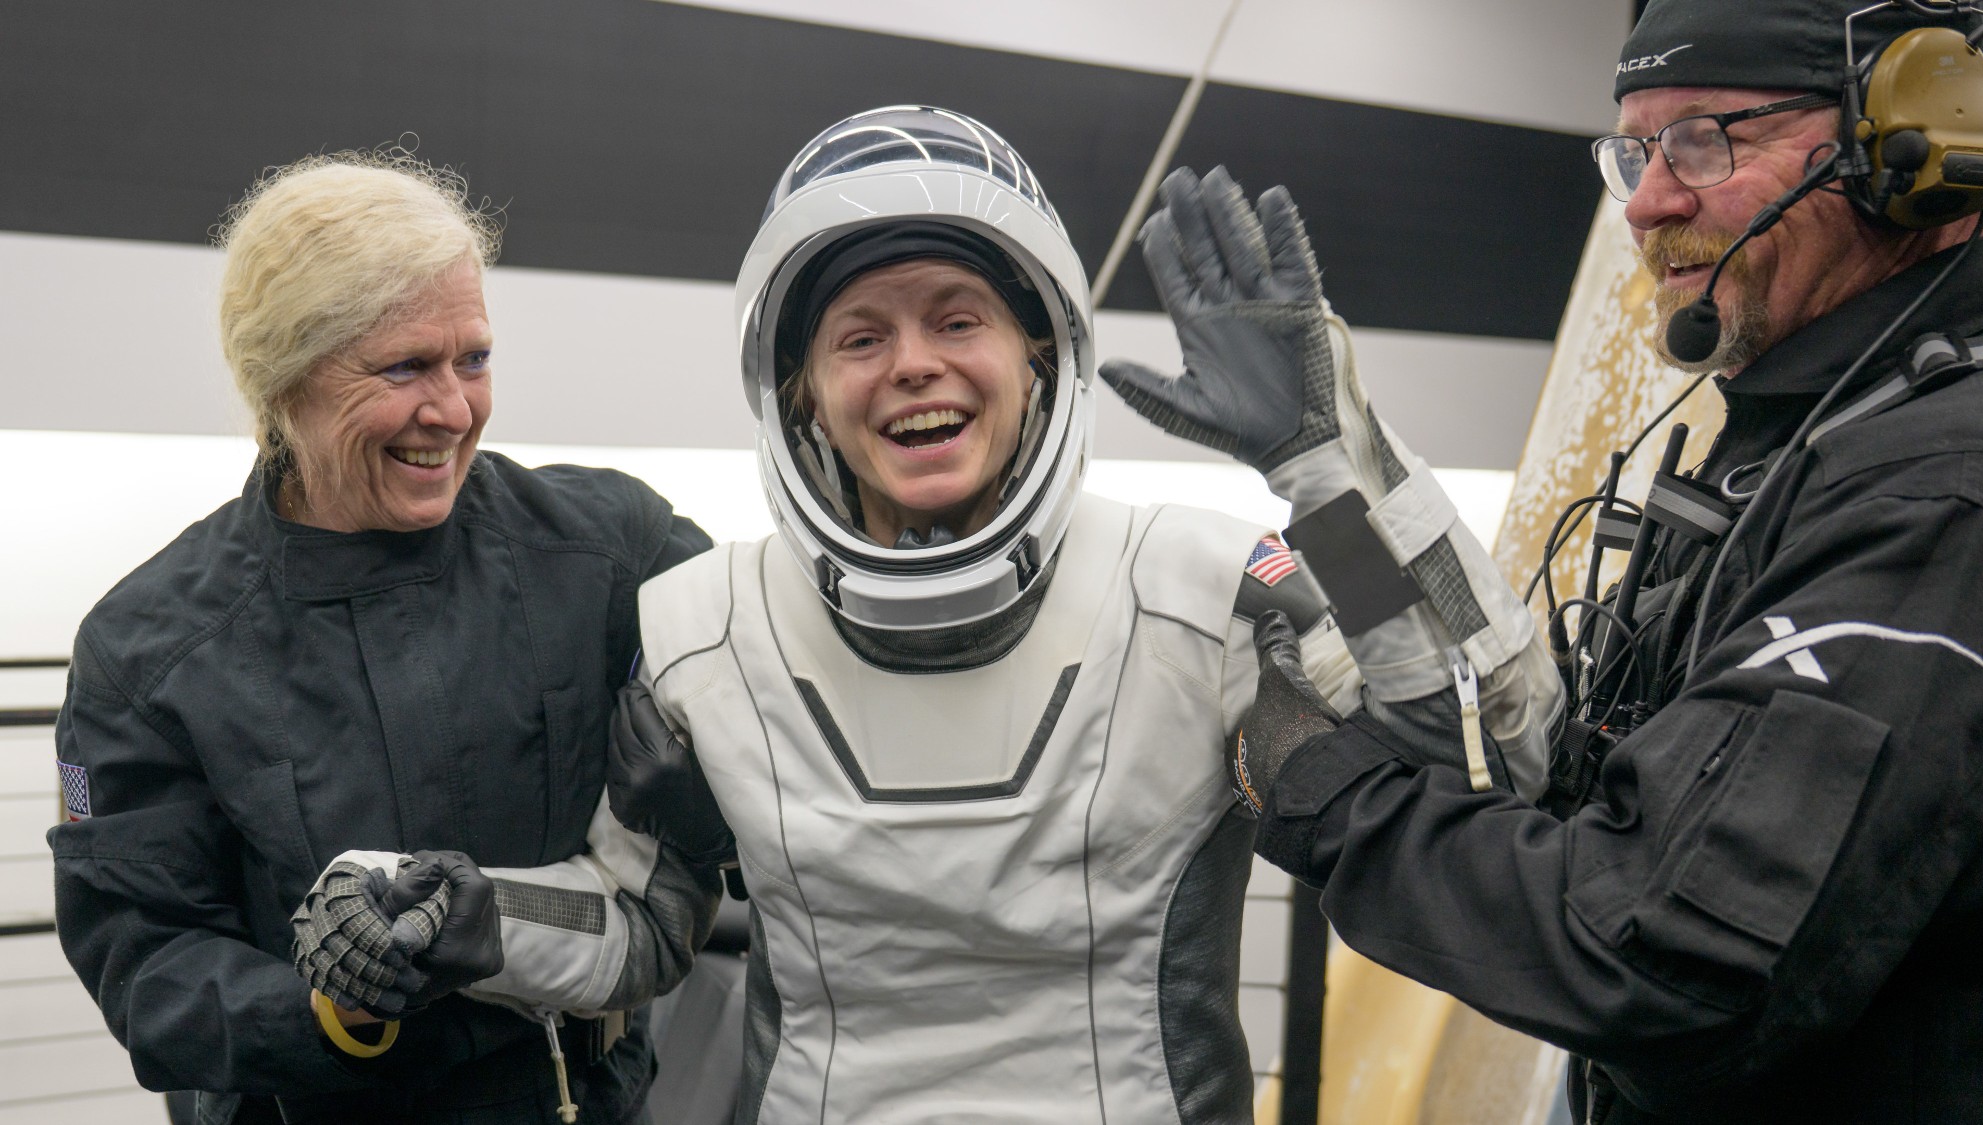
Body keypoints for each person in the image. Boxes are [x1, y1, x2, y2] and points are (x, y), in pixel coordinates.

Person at [317, 106, 1557, 1122]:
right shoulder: (703, 630)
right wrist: (462, 913)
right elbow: (641, 930)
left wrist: (1327, 464)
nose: (912, 362)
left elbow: (1481, 760)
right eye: (859, 337)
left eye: (957, 320)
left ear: (1037, 356)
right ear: (800, 394)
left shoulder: (1200, 597)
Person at [1185, 1, 1983, 1121]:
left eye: (1704, 140)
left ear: (1908, 141)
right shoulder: (1802, 436)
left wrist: (1318, 788)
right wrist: (1327, 477)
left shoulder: (1938, 492)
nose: (1648, 202)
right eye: (1633, 153)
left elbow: (1658, 955)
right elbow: (1536, 755)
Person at [48, 150, 718, 1124]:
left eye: (472, 359)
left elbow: (801, 688)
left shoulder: (611, 550)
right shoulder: (147, 651)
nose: (453, 409)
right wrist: (331, 1008)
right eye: (403, 367)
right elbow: (142, 957)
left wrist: (718, 804)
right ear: (284, 384)